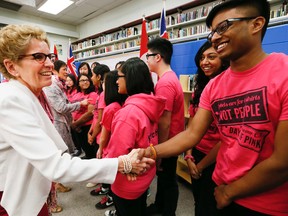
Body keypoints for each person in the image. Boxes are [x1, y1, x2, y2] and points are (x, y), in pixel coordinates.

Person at [140, 0, 288, 215]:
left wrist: (230, 192)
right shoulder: (214, 86)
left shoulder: (283, 73)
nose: (215, 37)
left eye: (223, 27)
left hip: (265, 203)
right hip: (218, 187)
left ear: (256, 24)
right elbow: (191, 134)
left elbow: (283, 161)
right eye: (212, 32)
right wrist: (150, 151)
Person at [0, 24, 154, 216]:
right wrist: (121, 164)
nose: (49, 64)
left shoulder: (28, 94)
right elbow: (56, 166)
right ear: (11, 66)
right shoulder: (10, 100)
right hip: (13, 199)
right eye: (39, 57)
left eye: (49, 57)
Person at [105, 57, 165, 216]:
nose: (116, 81)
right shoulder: (149, 104)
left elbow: (116, 155)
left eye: (119, 76)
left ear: (130, 78)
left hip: (127, 183)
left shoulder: (128, 114)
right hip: (145, 177)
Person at [185, 41, 228, 216]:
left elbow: (227, 138)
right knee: (198, 202)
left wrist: (201, 166)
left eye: (211, 57)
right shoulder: (199, 90)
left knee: (210, 206)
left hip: (217, 159)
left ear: (224, 60)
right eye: (202, 58)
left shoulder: (228, 89)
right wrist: (188, 155)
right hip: (196, 153)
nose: (205, 62)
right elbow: (191, 127)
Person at [146, 37, 184, 216]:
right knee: (164, 178)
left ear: (158, 57)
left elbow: (164, 121)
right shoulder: (168, 78)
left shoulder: (165, 83)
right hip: (172, 139)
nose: (147, 60)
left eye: (148, 56)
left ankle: (168, 212)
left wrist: (158, 151)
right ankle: (160, 206)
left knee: (168, 179)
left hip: (169, 141)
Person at [94, 70, 127, 211]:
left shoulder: (110, 108)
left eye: (105, 84)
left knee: (113, 181)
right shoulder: (122, 103)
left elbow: (104, 135)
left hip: (110, 149)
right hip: (119, 149)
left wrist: (100, 148)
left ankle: (112, 202)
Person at [70, 74, 97, 159]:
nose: (85, 82)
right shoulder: (76, 95)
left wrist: (75, 124)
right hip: (77, 128)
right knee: (85, 148)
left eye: (87, 80)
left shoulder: (92, 94)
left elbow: (90, 113)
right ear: (78, 83)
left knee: (91, 151)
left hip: (87, 127)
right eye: (82, 80)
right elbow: (71, 110)